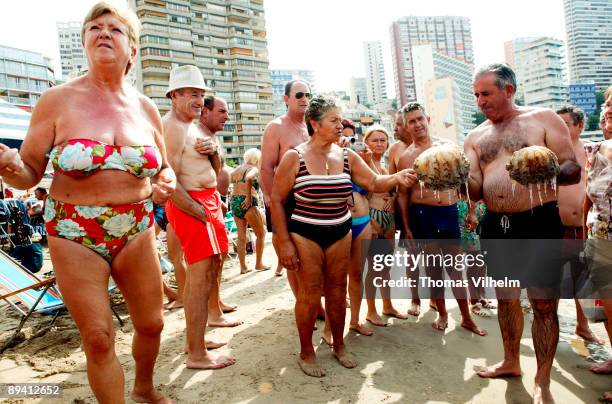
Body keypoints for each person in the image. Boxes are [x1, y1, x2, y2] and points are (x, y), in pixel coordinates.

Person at [0, 3, 177, 402]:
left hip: (137, 227)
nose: (103, 33)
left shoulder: (146, 108)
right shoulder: (56, 101)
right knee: (98, 337)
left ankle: (145, 388)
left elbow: (164, 168)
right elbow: (29, 170)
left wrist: (165, 181)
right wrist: (10, 169)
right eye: (95, 27)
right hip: (72, 231)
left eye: (115, 29)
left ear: (132, 49)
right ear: (84, 41)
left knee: (151, 324)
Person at [271, 95, 417, 377]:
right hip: (305, 233)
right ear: (314, 123)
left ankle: (338, 345)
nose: (340, 125)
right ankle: (306, 352)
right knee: (310, 295)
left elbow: (374, 182)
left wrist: (397, 178)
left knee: (338, 294)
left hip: (340, 230)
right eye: (333, 120)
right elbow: (277, 200)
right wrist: (285, 242)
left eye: (341, 119)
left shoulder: (347, 156)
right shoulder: (295, 156)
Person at [464, 64, 580, 404]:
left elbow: (571, 167)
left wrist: (545, 168)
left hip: (538, 220)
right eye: (476, 95)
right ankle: (511, 361)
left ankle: (542, 379)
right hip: (496, 224)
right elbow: (474, 188)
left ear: (509, 89)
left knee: (544, 303)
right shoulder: (475, 136)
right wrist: (458, 178)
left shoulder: (542, 118)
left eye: (486, 93)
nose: (480, 101)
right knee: (506, 298)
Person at [162, 65, 236, 370]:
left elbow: (214, 171)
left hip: (205, 202)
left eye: (201, 94)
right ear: (175, 95)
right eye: (193, 93)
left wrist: (214, 151)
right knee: (199, 277)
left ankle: (197, 339)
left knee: (209, 273)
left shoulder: (191, 125)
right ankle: (195, 353)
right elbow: (167, 178)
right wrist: (198, 211)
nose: (198, 100)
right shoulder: (173, 126)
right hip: (192, 205)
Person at [396, 103, 486, 336]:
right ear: (406, 126)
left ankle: (466, 317)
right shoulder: (407, 157)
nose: (417, 125)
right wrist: (406, 227)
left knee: (456, 268)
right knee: (434, 268)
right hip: (422, 215)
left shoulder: (448, 147)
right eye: (411, 122)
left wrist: (472, 211)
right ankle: (442, 313)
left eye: (419, 119)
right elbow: (402, 195)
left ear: (427, 119)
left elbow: (463, 182)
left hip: (448, 211)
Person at [556, 105, 604, 345]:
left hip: (582, 229)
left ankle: (582, 325)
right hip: (555, 229)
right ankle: (549, 325)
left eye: (566, 124)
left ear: (580, 126)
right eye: (558, 125)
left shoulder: (592, 152)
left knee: (582, 281)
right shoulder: (551, 154)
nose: (561, 129)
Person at [261, 80, 311, 282]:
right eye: (299, 95)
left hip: (315, 199)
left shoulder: (313, 125)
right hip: (289, 199)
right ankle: (307, 304)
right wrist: (277, 202)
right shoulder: (276, 127)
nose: (305, 99)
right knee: (295, 258)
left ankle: (316, 299)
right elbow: (266, 167)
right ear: (286, 99)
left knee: (314, 253)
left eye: (308, 95)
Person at [583, 86, 612, 403]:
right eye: (606, 104)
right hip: (601, 235)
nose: (607, 109)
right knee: (607, 305)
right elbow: (589, 196)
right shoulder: (598, 149)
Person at [363, 125, 408, 326]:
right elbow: (361, 195)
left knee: (385, 268)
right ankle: (371, 310)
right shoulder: (364, 163)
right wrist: (369, 224)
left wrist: (394, 195)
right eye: (375, 140)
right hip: (373, 219)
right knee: (373, 269)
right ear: (366, 143)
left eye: (383, 140)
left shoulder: (385, 164)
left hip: (389, 221)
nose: (379, 143)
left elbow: (393, 187)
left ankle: (387, 305)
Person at [341, 118, 374, 337]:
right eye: (342, 135)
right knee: (335, 277)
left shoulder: (358, 162)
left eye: (351, 137)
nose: (347, 141)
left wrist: (368, 161)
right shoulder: (325, 159)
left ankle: (354, 321)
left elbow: (373, 188)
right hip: (339, 224)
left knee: (356, 274)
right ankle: (332, 328)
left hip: (362, 222)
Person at [229, 148, 269, 274]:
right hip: (247, 202)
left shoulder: (236, 169)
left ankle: (243, 267)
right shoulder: (253, 168)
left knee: (241, 237)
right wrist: (248, 196)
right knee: (261, 234)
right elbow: (249, 177)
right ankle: (259, 264)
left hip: (234, 201)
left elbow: (230, 180)